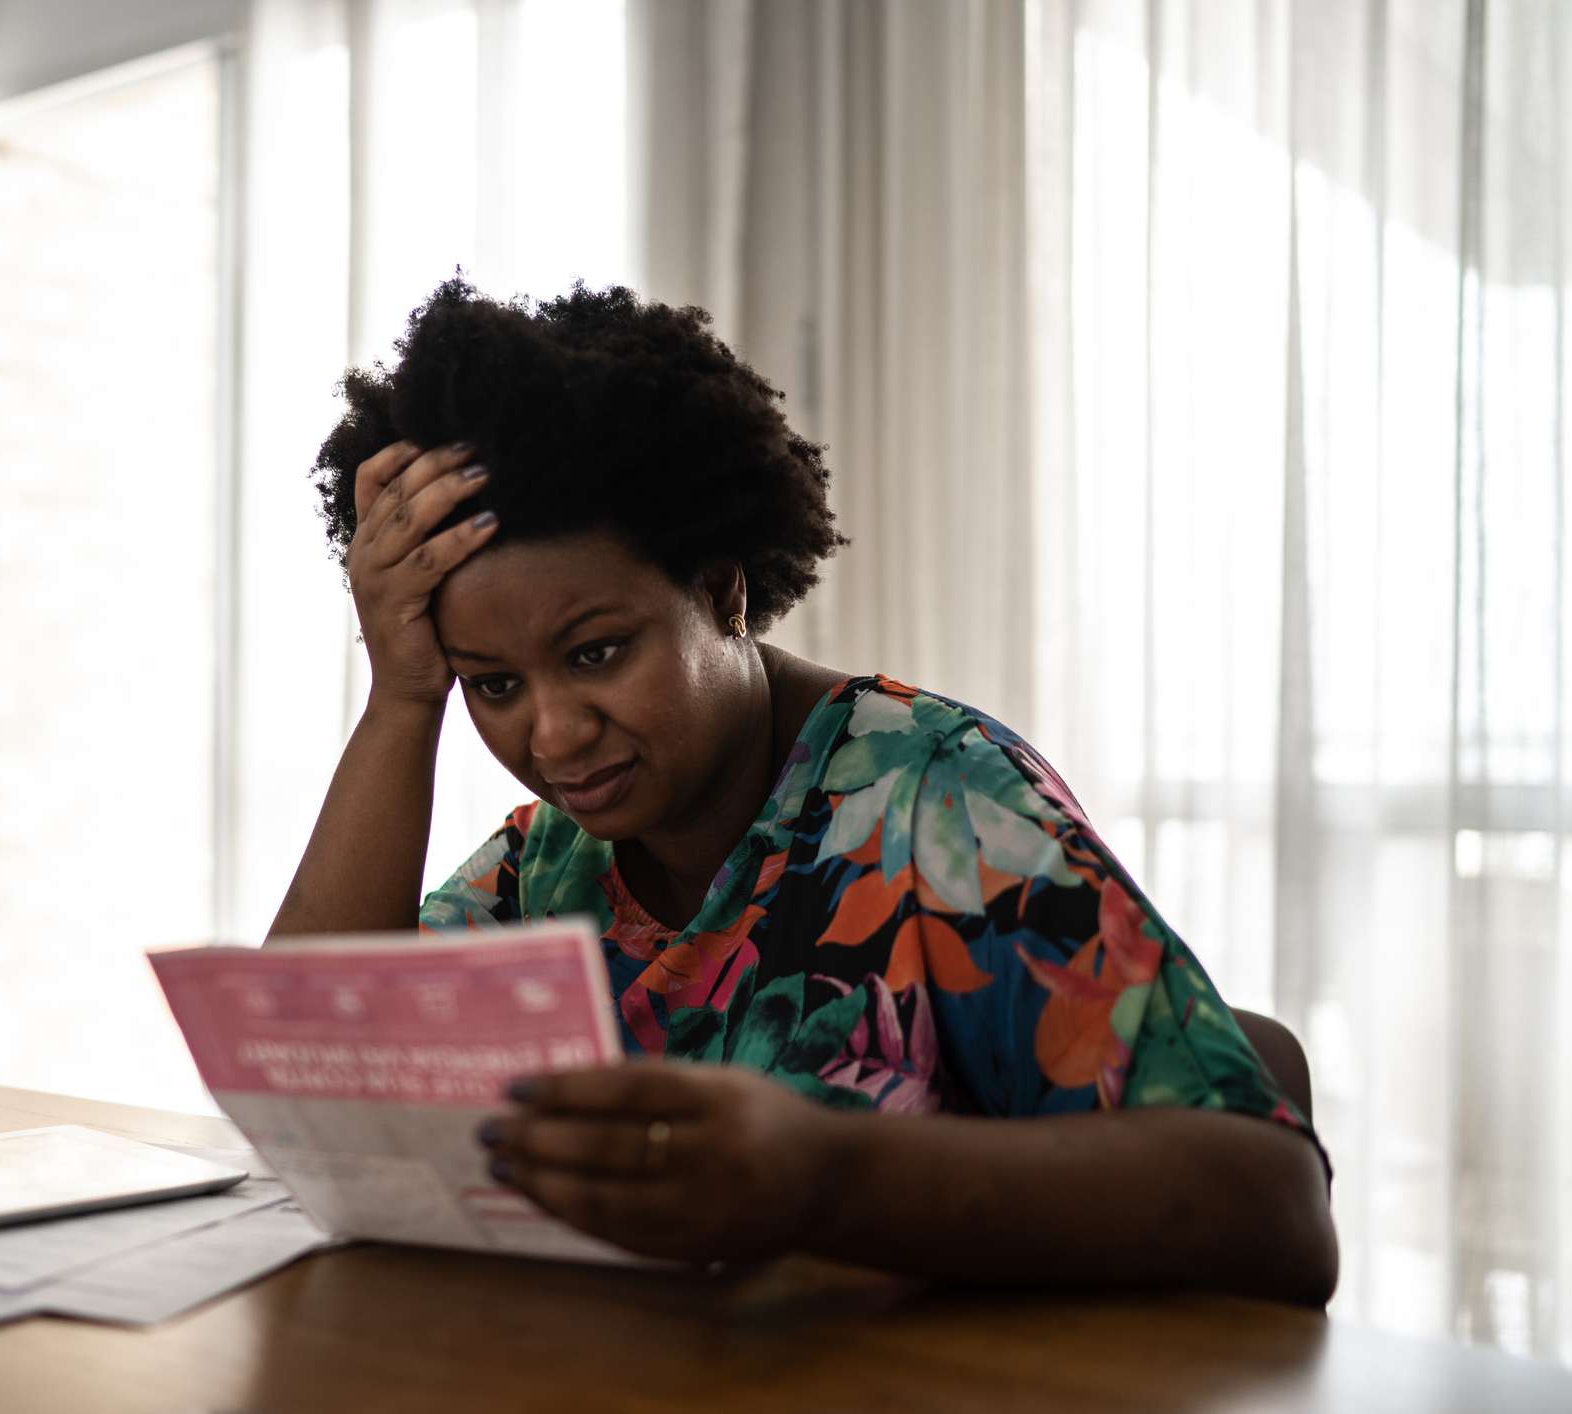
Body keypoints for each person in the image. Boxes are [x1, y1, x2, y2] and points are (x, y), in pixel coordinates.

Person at [269, 277, 1337, 1305]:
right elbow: (304, 1099)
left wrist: (825, 1177)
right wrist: (403, 698)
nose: (550, 733)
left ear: (724, 593)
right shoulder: (547, 862)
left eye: (596, 653)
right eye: (493, 684)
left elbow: (1276, 1208)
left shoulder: (935, 802)